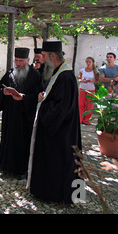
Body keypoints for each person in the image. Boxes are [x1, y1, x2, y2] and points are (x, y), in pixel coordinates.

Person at [27, 40, 82, 204]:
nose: (41, 59)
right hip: (59, 129)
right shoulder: (59, 72)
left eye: (43, 56)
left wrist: (43, 106)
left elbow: (60, 110)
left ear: (52, 56)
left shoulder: (65, 77)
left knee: (59, 162)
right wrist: (43, 98)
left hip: (60, 132)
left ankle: (56, 195)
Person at [0, 48, 43, 180]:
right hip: (10, 114)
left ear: (28, 61)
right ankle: (4, 166)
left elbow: (38, 96)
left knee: (22, 142)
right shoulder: (10, 72)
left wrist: (24, 98)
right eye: (16, 60)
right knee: (7, 139)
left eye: (21, 61)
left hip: (24, 116)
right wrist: (3, 92)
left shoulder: (35, 76)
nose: (18, 63)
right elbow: (0, 86)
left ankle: (21, 170)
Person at [78, 57, 99, 125]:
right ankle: (80, 119)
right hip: (82, 89)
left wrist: (92, 81)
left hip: (90, 89)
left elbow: (97, 81)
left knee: (89, 105)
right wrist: (82, 81)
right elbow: (79, 79)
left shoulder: (95, 72)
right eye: (87, 62)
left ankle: (86, 120)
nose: (88, 63)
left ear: (92, 62)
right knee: (80, 104)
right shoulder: (82, 70)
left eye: (89, 62)